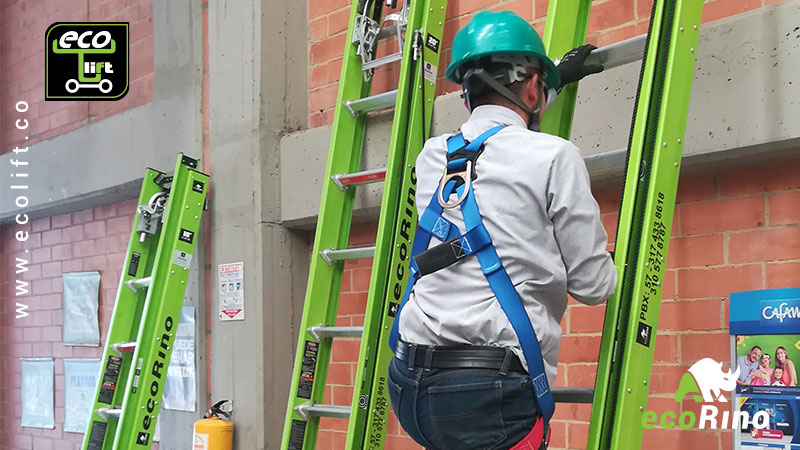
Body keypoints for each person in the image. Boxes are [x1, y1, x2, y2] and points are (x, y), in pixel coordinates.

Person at [387, 10, 616, 450]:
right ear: (532, 86)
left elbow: (492, 143)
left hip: (409, 382)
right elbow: (593, 285)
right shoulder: (555, 157)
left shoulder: (433, 156)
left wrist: (546, 83)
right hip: (487, 394)